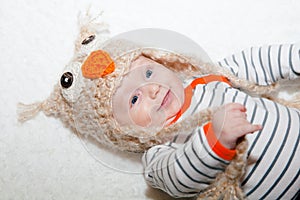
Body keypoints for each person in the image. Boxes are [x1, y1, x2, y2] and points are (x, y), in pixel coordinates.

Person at [111, 44, 300, 199]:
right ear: (123, 130)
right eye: (134, 99)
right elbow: (179, 178)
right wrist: (214, 142)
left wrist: (294, 57)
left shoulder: (206, 80)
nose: (153, 89)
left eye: (148, 73)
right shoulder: (157, 154)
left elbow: (254, 63)